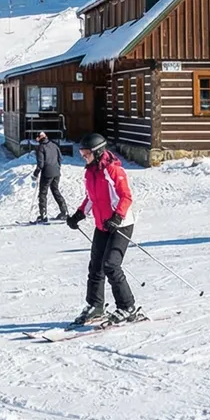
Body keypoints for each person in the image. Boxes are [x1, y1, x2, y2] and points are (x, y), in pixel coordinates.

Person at [65, 132, 141, 326]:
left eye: (86, 154)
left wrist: (117, 217)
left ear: (98, 152)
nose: (83, 157)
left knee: (111, 266)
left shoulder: (114, 171)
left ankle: (127, 307)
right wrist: (78, 215)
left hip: (121, 224)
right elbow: (91, 198)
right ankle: (95, 306)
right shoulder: (90, 172)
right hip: (102, 225)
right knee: (95, 266)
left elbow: (126, 197)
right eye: (82, 153)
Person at [32, 132, 68, 223]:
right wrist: (57, 168)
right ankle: (65, 212)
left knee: (43, 193)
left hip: (47, 173)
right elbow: (60, 158)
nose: (36, 140)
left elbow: (41, 164)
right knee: (56, 191)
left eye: (36, 138)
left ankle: (43, 215)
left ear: (39, 138)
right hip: (56, 172)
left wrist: (36, 173)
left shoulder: (40, 147)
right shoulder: (54, 145)